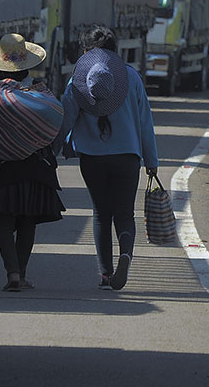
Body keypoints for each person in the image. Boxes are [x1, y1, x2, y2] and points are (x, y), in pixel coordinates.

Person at [58, 26, 159, 291]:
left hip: (92, 158)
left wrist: (52, 149)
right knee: (125, 213)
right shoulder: (131, 77)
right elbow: (145, 122)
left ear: (85, 52)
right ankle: (125, 253)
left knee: (101, 214)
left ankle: (105, 273)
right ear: (116, 51)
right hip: (127, 156)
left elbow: (65, 119)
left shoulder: (77, 81)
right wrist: (152, 160)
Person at [0, 33, 66, 292]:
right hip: (33, 168)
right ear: (27, 65)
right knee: (27, 222)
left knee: (4, 223)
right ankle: (21, 275)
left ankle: (12, 273)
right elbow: (55, 118)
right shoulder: (40, 93)